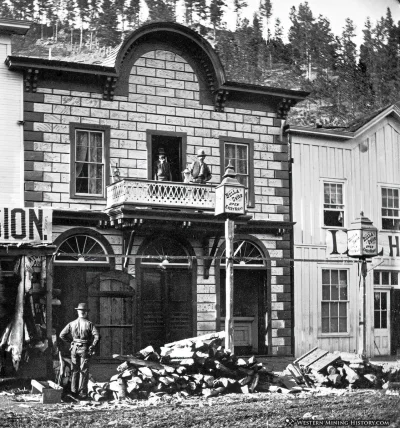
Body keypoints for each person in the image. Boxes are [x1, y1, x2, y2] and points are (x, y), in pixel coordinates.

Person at [59, 303, 99, 399]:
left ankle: (73, 392)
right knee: (84, 371)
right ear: (86, 313)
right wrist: (92, 346)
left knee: (74, 370)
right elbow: (97, 336)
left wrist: (71, 342)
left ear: (78, 312)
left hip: (74, 348)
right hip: (84, 348)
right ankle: (83, 393)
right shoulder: (89, 324)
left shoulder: (71, 324)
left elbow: (61, 335)